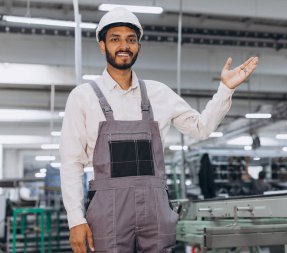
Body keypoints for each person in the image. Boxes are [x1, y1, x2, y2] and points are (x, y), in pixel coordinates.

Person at [60, 7, 259, 253]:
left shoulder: (158, 93)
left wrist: (225, 90)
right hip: (107, 212)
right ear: (102, 45)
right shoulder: (82, 97)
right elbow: (70, 163)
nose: (124, 46)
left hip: (154, 210)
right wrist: (76, 219)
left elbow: (200, 128)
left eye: (131, 40)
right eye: (115, 39)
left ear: (138, 47)